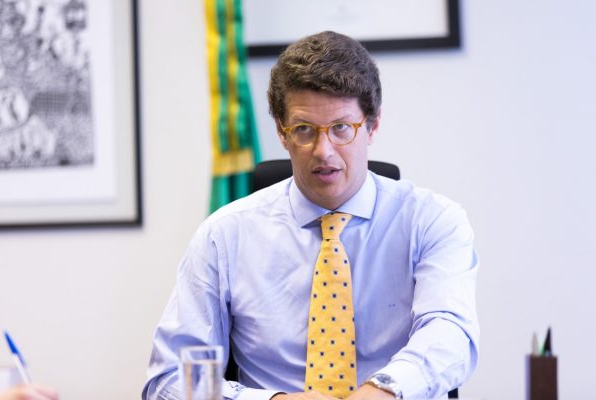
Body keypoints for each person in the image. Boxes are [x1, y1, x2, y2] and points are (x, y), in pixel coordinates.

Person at [143, 31, 479, 400]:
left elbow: (450, 337)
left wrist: (383, 391)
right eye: (304, 130)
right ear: (281, 132)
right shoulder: (224, 236)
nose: (324, 151)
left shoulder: (432, 221)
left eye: (341, 129)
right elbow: (171, 378)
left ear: (372, 125)